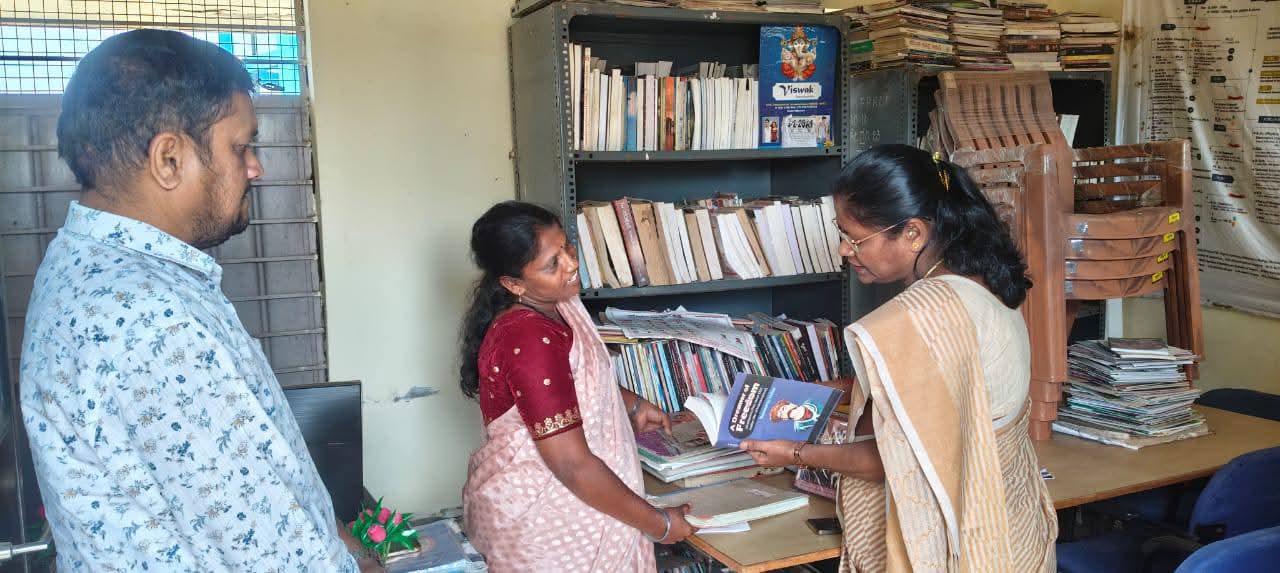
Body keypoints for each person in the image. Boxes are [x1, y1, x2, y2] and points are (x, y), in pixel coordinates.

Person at [19, 29, 373, 571]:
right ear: (169, 159)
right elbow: (270, 551)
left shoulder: (88, 266)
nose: (255, 167)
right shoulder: (145, 318)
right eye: (240, 146)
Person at [739, 145, 1057, 571]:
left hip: (962, 548)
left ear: (913, 233)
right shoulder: (978, 279)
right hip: (1012, 531)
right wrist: (812, 392)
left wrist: (795, 453)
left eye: (856, 239)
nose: (844, 250)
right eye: (841, 234)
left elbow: (890, 460)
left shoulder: (927, 314)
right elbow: (918, 392)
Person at [459, 201, 697, 571]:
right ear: (513, 284)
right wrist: (660, 525)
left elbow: (570, 381)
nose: (571, 264)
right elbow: (572, 465)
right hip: (548, 530)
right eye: (552, 263)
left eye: (567, 247)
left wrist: (631, 404)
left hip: (576, 505)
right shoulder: (528, 336)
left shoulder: (556, 307)